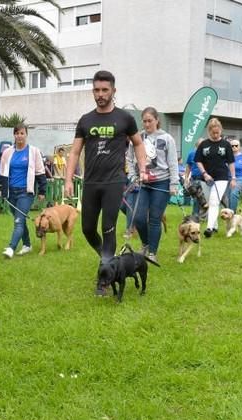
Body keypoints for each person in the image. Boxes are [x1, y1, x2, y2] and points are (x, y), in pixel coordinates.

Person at [64, 70, 148, 295]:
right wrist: (68, 178)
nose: (100, 94)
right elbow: (74, 152)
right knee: (87, 229)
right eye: (96, 90)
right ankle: (109, 261)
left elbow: (138, 144)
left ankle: (105, 277)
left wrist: (142, 166)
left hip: (114, 182)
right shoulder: (85, 120)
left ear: (113, 91)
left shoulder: (125, 119)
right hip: (91, 183)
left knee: (108, 228)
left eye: (105, 90)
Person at [125, 106, 178, 263]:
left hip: (161, 183)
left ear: (157, 120)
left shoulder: (167, 138)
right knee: (139, 217)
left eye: (150, 121)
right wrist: (132, 177)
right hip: (141, 182)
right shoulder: (137, 138)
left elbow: (173, 162)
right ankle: (146, 244)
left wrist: (174, 184)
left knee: (155, 218)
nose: (147, 124)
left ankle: (152, 253)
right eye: (144, 121)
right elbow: (129, 158)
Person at [0, 124, 47, 258]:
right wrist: (2, 191)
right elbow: (2, 173)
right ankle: (27, 245)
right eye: (17, 133)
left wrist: (42, 191)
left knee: (19, 221)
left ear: (26, 134)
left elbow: (40, 171)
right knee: (19, 219)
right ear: (13, 135)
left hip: (26, 192)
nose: (19, 136)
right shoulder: (7, 152)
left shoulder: (33, 151)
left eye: (22, 133)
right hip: (11, 192)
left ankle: (11, 248)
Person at [195, 118, 236, 238]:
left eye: (217, 133)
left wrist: (233, 177)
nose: (215, 135)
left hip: (221, 177)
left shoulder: (226, 144)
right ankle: (215, 225)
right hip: (206, 178)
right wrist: (204, 173)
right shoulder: (204, 144)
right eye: (213, 133)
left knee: (214, 201)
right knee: (211, 202)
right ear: (209, 131)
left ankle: (209, 228)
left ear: (220, 130)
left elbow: (231, 162)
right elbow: (198, 160)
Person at [184, 137, 205, 216]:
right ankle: (195, 215)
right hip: (194, 178)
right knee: (196, 198)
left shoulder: (207, 154)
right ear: (196, 146)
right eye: (199, 145)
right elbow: (188, 166)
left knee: (204, 198)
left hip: (205, 179)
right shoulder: (192, 154)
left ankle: (203, 215)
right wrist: (186, 178)